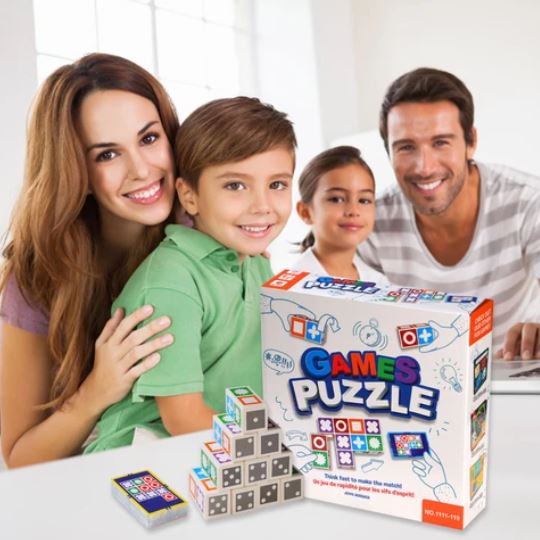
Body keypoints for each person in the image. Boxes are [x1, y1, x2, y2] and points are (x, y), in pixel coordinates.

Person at [84, 96, 295, 453]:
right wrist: (280, 450)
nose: (262, 206)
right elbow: (183, 418)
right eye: (235, 186)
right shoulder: (172, 281)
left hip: (223, 443)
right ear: (189, 196)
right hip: (141, 455)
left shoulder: (257, 263)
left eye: (277, 185)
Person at [0, 53, 180, 467]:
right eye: (107, 155)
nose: (141, 170)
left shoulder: (208, 232)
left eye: (149, 139)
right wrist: (96, 391)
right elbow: (19, 457)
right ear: (74, 172)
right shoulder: (38, 276)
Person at [357, 67, 540, 358]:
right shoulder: (368, 222)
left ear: (471, 142)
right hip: (411, 375)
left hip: (505, 373)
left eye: (441, 142)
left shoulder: (528, 202)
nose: (424, 167)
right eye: (406, 147)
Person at [293, 145, 385, 283]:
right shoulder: (293, 286)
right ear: (305, 212)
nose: (353, 211)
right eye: (336, 199)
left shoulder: (379, 283)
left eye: (364, 200)